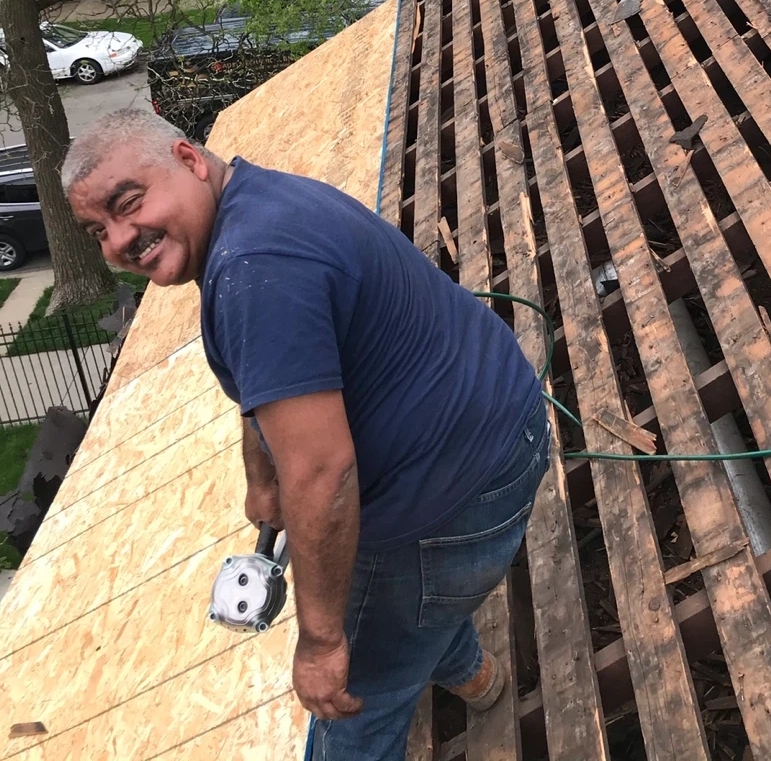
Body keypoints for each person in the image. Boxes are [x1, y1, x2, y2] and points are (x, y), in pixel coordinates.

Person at [63, 109, 548, 761]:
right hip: (503, 428)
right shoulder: (256, 202)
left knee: (352, 709)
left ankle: (426, 663)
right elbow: (270, 381)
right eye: (99, 230)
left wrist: (321, 644)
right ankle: (474, 676)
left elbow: (323, 472)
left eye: (129, 204)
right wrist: (261, 474)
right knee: (405, 611)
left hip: (453, 499)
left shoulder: (252, 269)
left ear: (187, 160)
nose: (121, 239)